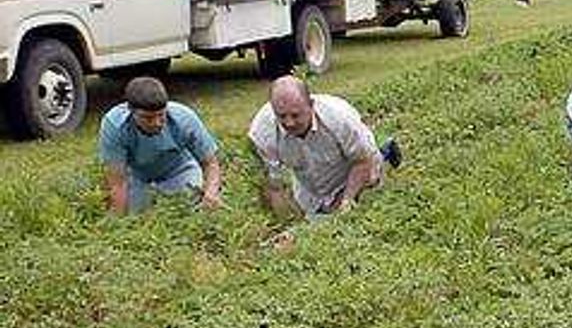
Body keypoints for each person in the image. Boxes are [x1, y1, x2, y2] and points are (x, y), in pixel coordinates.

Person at [248, 76, 402, 218]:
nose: (289, 123)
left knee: (358, 203)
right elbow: (274, 185)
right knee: (318, 220)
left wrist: (347, 201)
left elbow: (362, 162)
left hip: (352, 167)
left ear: (311, 105)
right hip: (310, 185)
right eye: (282, 116)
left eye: (296, 115)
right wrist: (286, 220)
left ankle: (384, 153)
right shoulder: (263, 133)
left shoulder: (339, 118)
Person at [98, 76, 223, 214]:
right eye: (148, 118)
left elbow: (210, 163)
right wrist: (117, 225)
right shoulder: (114, 125)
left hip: (180, 171)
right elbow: (118, 181)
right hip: (139, 177)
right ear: (131, 111)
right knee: (137, 215)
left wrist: (211, 192)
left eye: (161, 115)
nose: (157, 123)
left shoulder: (184, 119)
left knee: (188, 206)